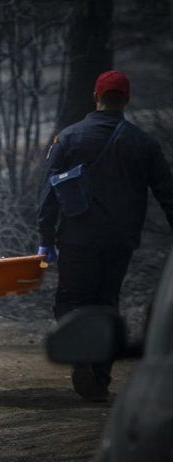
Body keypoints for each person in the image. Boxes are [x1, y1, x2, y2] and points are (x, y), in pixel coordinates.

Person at [37, 70, 173, 401]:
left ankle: (79, 357)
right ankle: (100, 378)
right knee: (106, 300)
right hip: (120, 240)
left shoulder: (68, 138)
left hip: (76, 238)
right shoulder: (144, 143)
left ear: (95, 97)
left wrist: (45, 237)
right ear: (125, 100)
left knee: (71, 299)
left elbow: (49, 195)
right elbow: (167, 194)